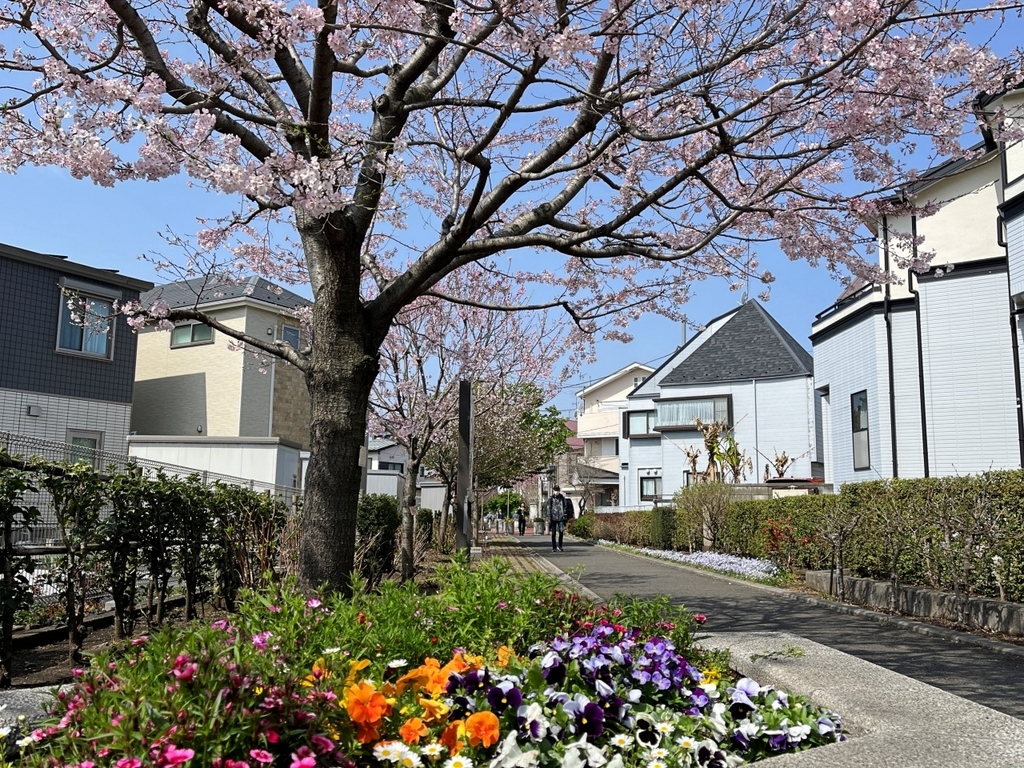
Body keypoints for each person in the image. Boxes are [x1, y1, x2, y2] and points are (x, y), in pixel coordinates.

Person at [546, 485, 574, 552]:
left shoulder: (562, 498)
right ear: (553, 490)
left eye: (557, 490)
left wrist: (564, 515)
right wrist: (549, 517)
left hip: (561, 518)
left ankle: (560, 546)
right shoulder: (551, 499)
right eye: (555, 490)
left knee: (561, 532)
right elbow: (548, 508)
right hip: (553, 518)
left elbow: (565, 506)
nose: (556, 491)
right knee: (553, 533)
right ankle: (554, 547)